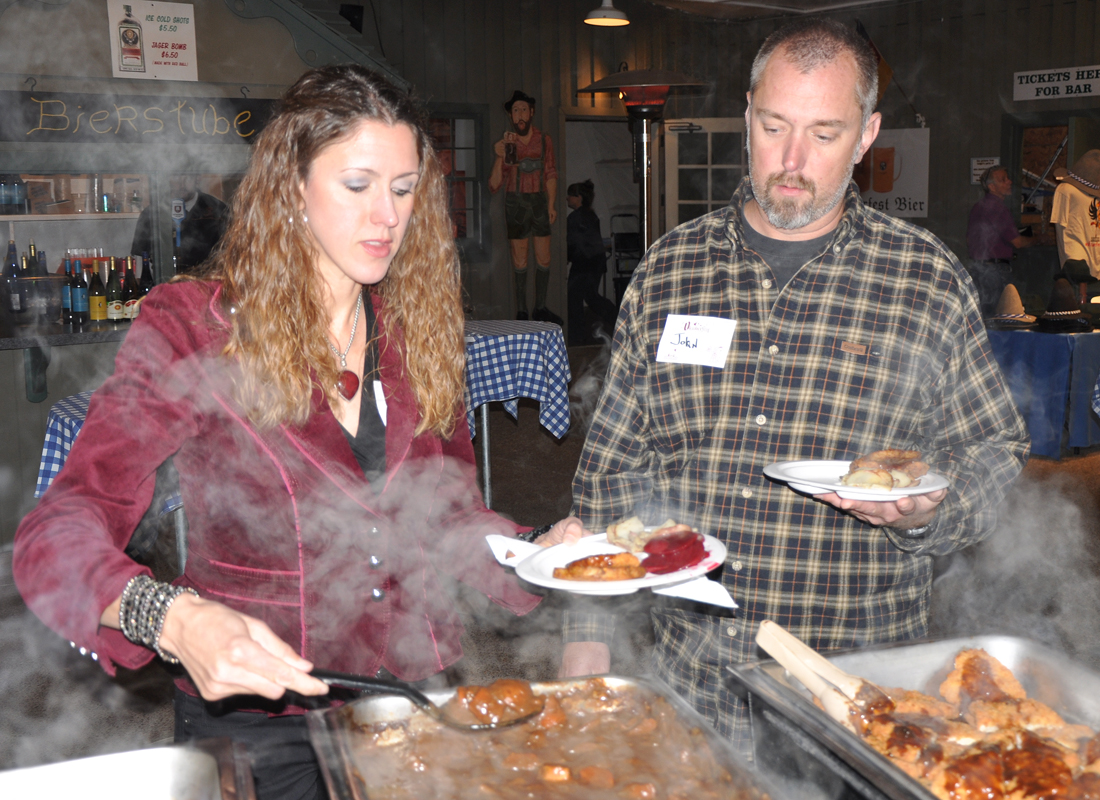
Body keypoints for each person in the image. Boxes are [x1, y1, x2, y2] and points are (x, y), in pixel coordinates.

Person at [14, 66, 586, 800]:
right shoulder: (196, 328)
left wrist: (530, 553)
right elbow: (57, 531)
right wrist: (169, 615)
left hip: (411, 698)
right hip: (261, 721)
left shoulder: (420, 334)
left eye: (404, 189)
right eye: (358, 185)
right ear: (292, 186)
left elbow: (445, 514)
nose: (388, 216)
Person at [563, 19, 1028, 746]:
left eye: (824, 133)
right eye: (773, 126)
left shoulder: (924, 280)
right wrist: (585, 636)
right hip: (692, 681)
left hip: (853, 692)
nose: (790, 159)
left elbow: (995, 451)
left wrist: (927, 513)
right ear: (748, 116)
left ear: (868, 135)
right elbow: (614, 471)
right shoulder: (670, 270)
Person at [489, 90, 560, 322]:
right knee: (519, 258)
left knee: (544, 256)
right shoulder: (509, 143)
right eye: (515, 111)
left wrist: (551, 204)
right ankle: (522, 310)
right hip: (516, 203)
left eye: (523, 110)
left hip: (539, 201)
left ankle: (540, 307)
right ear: (511, 115)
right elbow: (494, 185)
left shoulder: (543, 140)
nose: (520, 115)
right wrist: (499, 157)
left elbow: (550, 173)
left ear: (532, 112)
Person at [966, 165, 1033, 317]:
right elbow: (1017, 242)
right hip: (996, 272)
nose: (1009, 182)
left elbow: (969, 239)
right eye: (1003, 180)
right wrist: (1037, 239)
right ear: (992, 187)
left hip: (978, 270)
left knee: (982, 316)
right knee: (1002, 317)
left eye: (1007, 178)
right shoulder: (999, 209)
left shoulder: (978, 207)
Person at [131, 174, 229, 274]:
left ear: (198, 178)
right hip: (165, 283)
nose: (182, 184)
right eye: (177, 177)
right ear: (169, 179)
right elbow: (139, 259)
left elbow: (230, 255)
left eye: (188, 177)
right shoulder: (152, 213)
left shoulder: (218, 210)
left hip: (207, 284)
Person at [566, 179, 618, 345]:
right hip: (594, 261)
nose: (567, 198)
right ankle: (619, 320)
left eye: (570, 195)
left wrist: (565, 259)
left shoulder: (576, 218)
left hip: (584, 263)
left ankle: (577, 337)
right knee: (591, 296)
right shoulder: (590, 215)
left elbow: (574, 243)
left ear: (578, 198)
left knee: (575, 298)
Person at [1051, 150, 1100, 303]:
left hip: (1093, 250)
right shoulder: (1065, 190)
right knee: (1078, 287)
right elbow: (1061, 226)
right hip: (1076, 253)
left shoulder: (1092, 193)